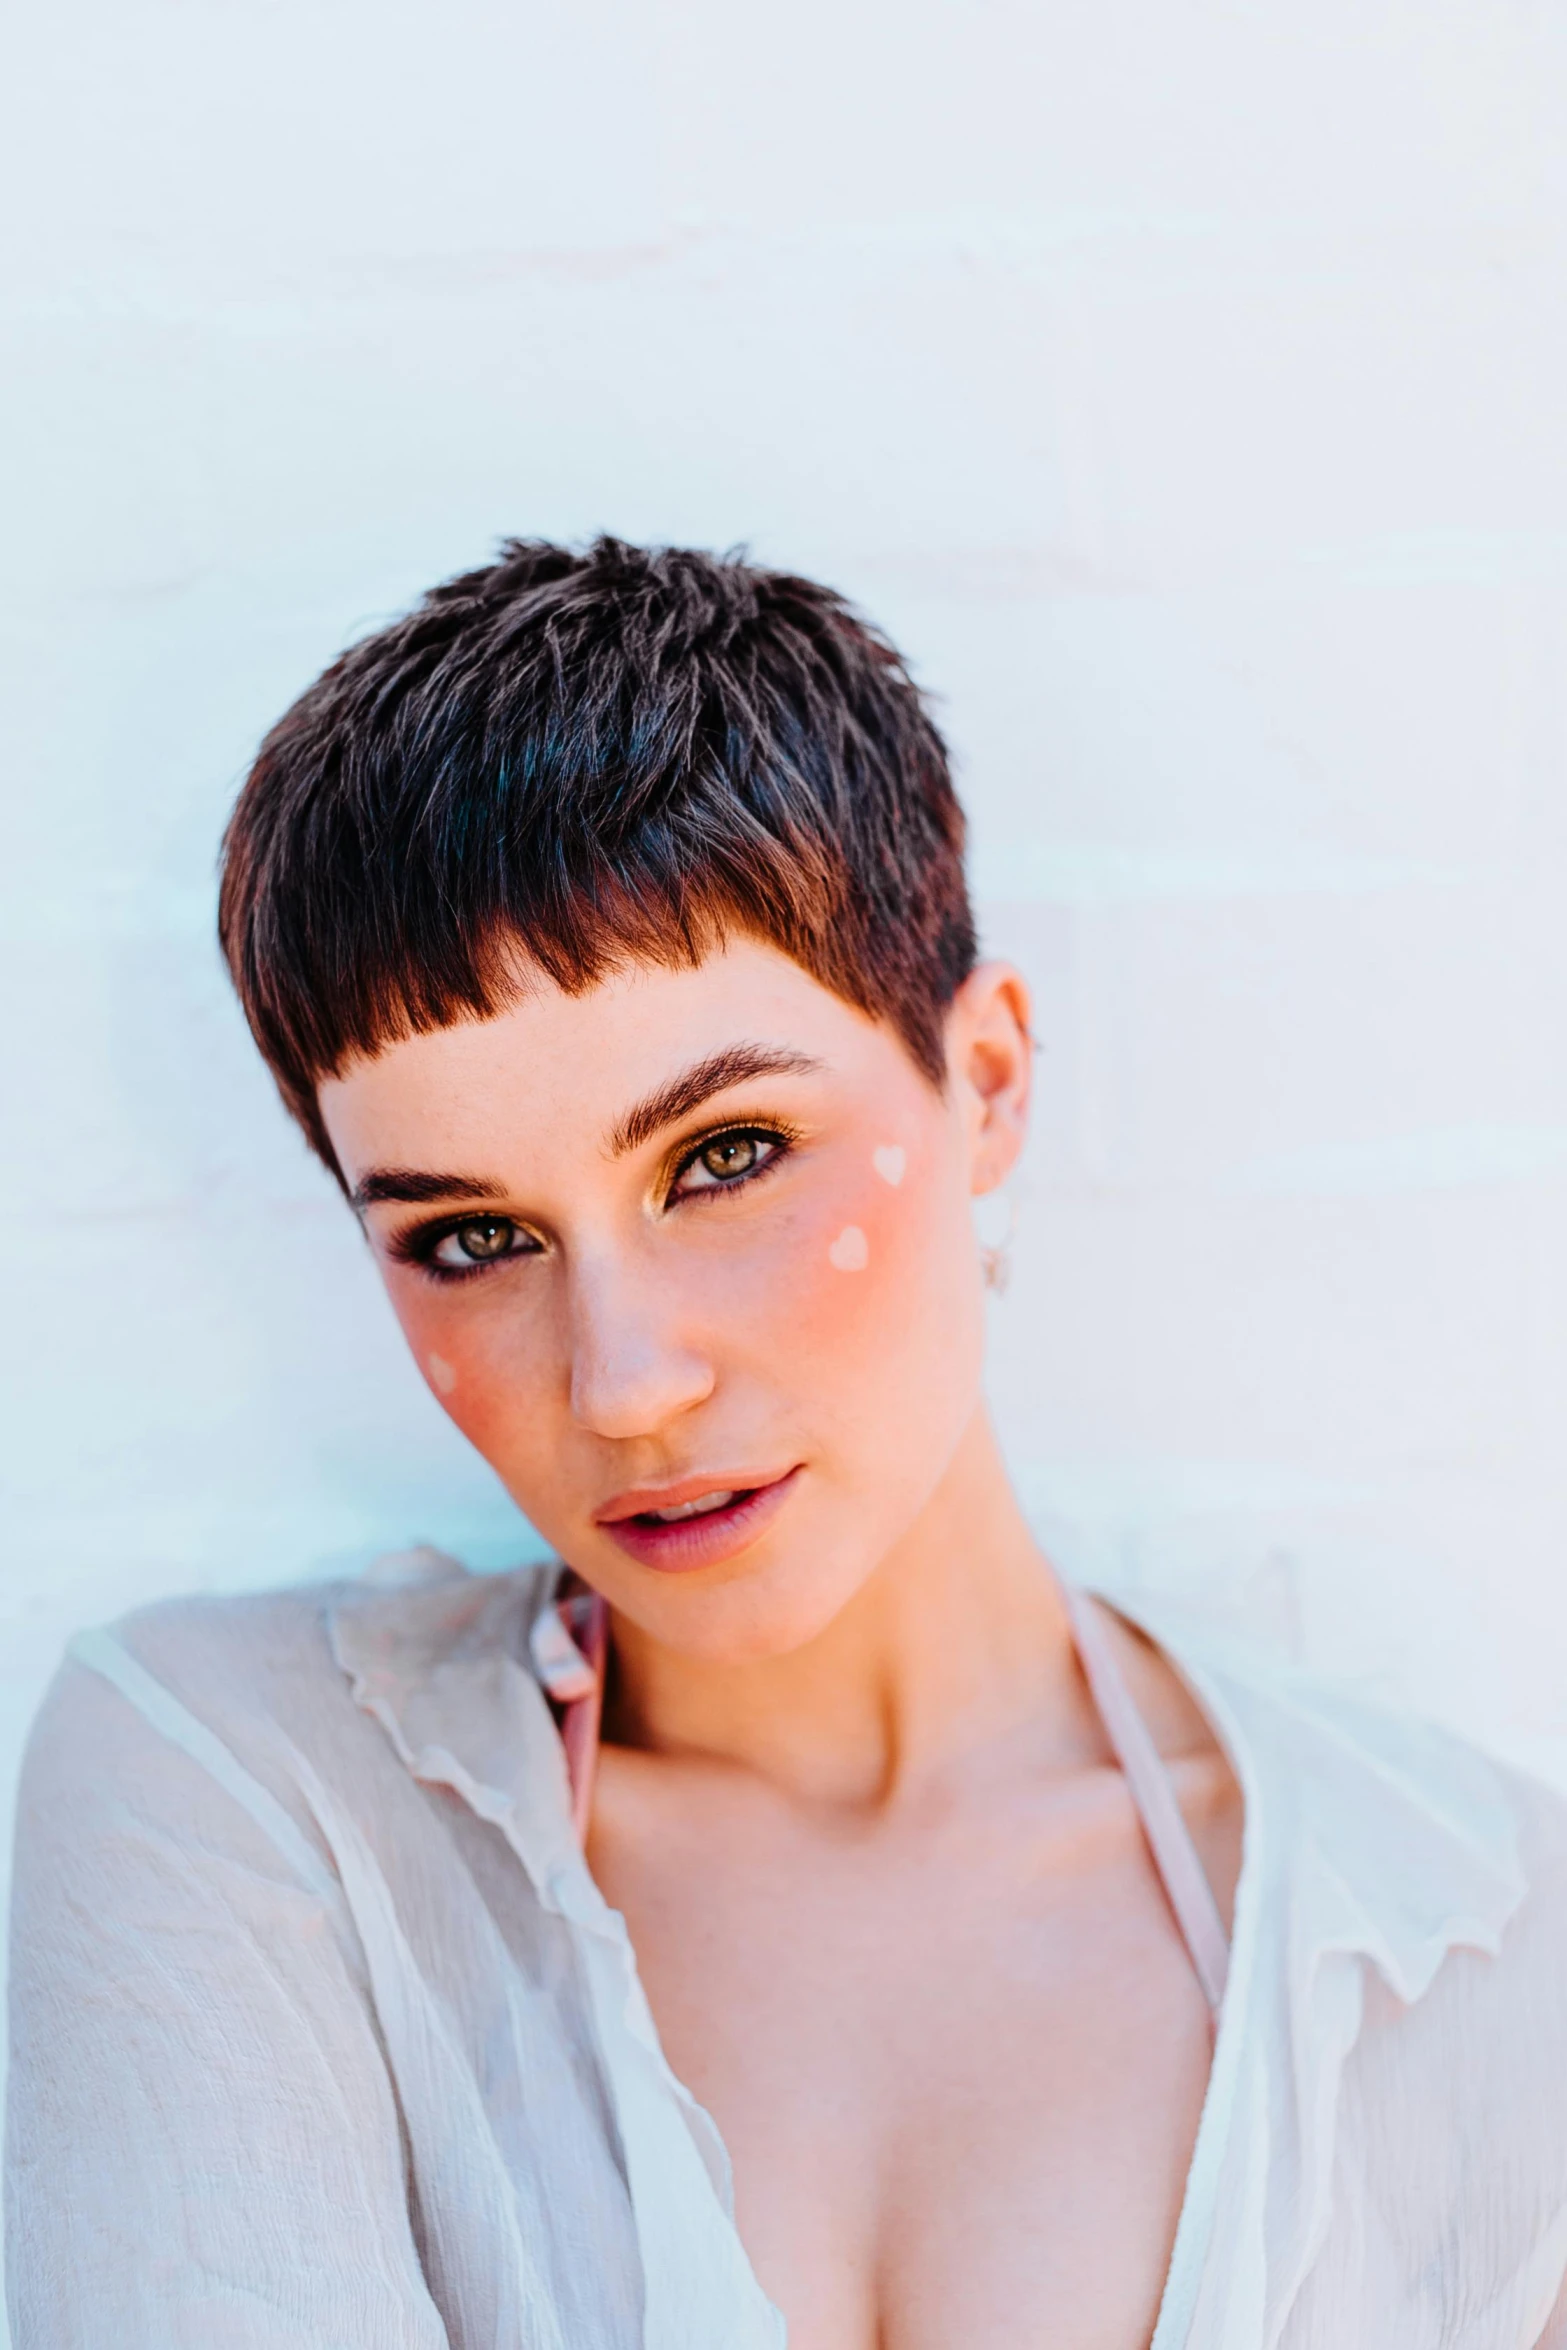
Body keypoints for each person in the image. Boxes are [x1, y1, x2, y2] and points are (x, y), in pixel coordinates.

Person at [6, 539, 1567, 2350]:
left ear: (981, 1081)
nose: (624, 1383)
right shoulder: (243, 1797)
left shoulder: (1482, 1957)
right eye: (469, 1236)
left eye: (723, 1154)